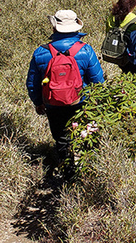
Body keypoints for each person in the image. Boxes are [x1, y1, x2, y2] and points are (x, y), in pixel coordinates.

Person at [25, 9, 105, 169]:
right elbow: (98, 81)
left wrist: (38, 102)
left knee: (61, 138)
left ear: (54, 28)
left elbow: (32, 83)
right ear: (76, 28)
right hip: (81, 103)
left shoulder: (41, 52)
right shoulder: (86, 50)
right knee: (83, 135)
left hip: (53, 104)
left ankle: (66, 169)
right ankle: (83, 168)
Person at [105, 0, 136, 81]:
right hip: (131, 57)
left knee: (125, 74)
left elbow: (107, 32)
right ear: (134, 5)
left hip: (118, 53)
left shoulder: (112, 16)